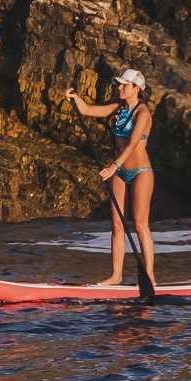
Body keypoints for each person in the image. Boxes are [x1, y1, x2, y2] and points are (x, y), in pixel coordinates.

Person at [65, 69, 157, 296]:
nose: (120, 88)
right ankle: (116, 275)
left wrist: (114, 165)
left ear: (137, 88)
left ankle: (150, 275)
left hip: (140, 172)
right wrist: (75, 99)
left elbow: (134, 144)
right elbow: (88, 110)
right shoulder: (118, 107)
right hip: (118, 172)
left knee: (139, 224)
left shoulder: (143, 113)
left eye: (124, 85)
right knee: (116, 225)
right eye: (119, 84)